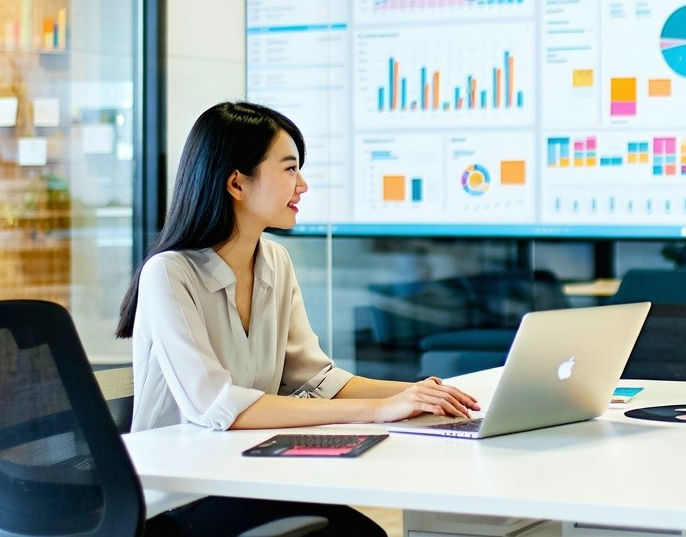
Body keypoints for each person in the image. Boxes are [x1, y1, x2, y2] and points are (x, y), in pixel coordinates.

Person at [116, 101, 479, 536]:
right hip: (178, 496)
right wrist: (382, 409)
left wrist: (418, 394)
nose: (302, 185)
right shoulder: (169, 274)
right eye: (289, 169)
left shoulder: (274, 261)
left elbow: (317, 380)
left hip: (248, 472)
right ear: (236, 183)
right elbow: (218, 408)